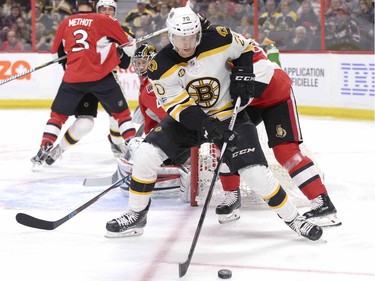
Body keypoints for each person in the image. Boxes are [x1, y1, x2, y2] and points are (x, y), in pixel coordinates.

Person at [105, 6, 323, 241]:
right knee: (147, 154)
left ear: (199, 33)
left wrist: (242, 71)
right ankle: (136, 215)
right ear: (171, 36)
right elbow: (179, 108)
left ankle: (294, 218)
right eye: (180, 38)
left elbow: (247, 48)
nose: (186, 44)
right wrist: (209, 125)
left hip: (231, 114)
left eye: (191, 37)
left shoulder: (220, 37)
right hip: (189, 120)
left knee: (255, 174)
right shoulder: (160, 67)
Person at [215, 37, 341, 227]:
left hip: (276, 96)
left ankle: (323, 203)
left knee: (286, 152)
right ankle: (232, 195)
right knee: (227, 143)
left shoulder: (232, 45)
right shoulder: (209, 52)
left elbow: (266, 68)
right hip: (248, 101)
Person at [31, 0, 137, 168]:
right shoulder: (105, 25)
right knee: (86, 123)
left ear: (116, 11)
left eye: (111, 9)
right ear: (96, 9)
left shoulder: (120, 30)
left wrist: (119, 51)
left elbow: (124, 64)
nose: (107, 12)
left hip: (95, 77)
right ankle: (58, 149)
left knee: (116, 120)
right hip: (99, 79)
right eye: (104, 9)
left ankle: (118, 144)